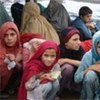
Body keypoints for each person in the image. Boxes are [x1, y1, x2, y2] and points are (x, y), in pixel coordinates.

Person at [58, 27, 85, 94]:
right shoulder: (58, 50)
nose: (79, 42)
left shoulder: (80, 49)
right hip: (62, 79)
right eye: (75, 40)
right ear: (65, 42)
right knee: (68, 68)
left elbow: (84, 63)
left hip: (76, 79)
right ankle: (59, 92)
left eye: (79, 39)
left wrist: (66, 60)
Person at [74, 30, 100, 100]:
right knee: (90, 75)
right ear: (94, 46)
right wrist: (89, 68)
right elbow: (77, 78)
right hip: (91, 90)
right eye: (99, 47)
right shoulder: (89, 56)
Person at [0, 22, 22, 93]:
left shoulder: (20, 49)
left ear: (17, 35)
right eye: (5, 35)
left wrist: (14, 61)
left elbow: (22, 69)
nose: (9, 38)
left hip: (11, 81)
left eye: (12, 34)